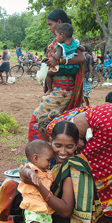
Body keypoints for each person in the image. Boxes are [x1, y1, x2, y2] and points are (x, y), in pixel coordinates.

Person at [0, 121, 103, 223]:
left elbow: (65, 211)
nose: (63, 152)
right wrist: (25, 172)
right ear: (50, 141)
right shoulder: (48, 157)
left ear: (77, 144)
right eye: (58, 145)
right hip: (41, 209)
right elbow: (28, 169)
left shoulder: (73, 167)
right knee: (9, 186)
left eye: (69, 146)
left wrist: (38, 185)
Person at [39, 103, 112, 221]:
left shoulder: (53, 130)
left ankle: (99, 206)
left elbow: (80, 144)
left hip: (108, 124)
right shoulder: (62, 118)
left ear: (44, 131)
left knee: (87, 168)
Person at [27, 9, 85, 141]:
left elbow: (81, 58)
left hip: (63, 91)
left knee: (36, 120)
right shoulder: (58, 41)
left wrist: (59, 61)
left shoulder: (70, 41)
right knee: (58, 124)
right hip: (59, 89)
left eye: (50, 24)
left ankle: (37, 154)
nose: (49, 28)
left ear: (59, 22)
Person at [17, 140, 55, 223]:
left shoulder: (47, 172)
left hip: (45, 209)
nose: (50, 163)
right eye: (48, 160)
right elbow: (24, 171)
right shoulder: (31, 168)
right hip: (33, 209)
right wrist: (31, 173)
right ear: (35, 158)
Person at [45, 23, 80, 95]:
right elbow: (82, 49)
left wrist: (51, 52)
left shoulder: (60, 46)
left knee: (49, 74)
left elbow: (57, 57)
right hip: (74, 69)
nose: (56, 38)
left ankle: (50, 90)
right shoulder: (75, 43)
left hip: (64, 68)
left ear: (62, 35)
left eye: (57, 35)